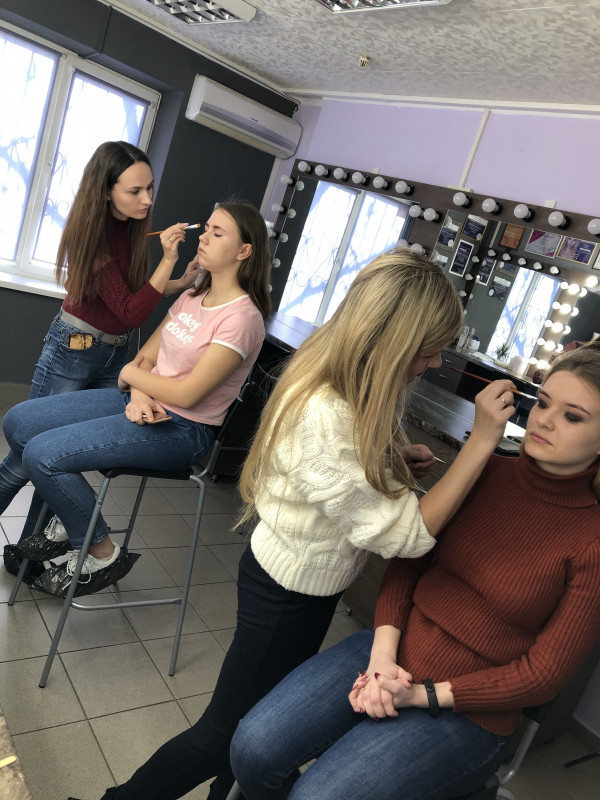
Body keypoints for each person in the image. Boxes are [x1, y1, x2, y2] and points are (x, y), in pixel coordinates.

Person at [72, 249, 517, 800]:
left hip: (303, 582)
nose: (432, 364)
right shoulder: (327, 412)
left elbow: (339, 469)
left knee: (252, 726)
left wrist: (389, 458)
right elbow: (404, 537)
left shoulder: (338, 382)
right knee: (222, 737)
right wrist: (481, 442)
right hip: (286, 593)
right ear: (395, 343)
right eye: (428, 352)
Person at [230, 343, 600, 800]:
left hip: (471, 709)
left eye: (573, 416)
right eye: (543, 404)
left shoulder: (592, 539)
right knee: (252, 749)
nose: (544, 420)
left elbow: (543, 674)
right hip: (392, 649)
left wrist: (422, 695)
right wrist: (383, 658)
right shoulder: (484, 472)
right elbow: (410, 562)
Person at [1, 199, 270, 593]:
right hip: (141, 401)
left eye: (218, 233)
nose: (204, 238)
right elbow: (145, 358)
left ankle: (101, 551)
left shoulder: (242, 319)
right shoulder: (193, 297)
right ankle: (72, 517)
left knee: (42, 454)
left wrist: (130, 376)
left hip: (183, 428)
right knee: (18, 421)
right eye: (206, 228)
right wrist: (139, 390)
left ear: (244, 251)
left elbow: (187, 394)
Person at [1, 140, 200, 581]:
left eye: (150, 188)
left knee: (55, 456)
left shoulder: (129, 226)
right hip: (75, 347)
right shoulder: (95, 238)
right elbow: (130, 311)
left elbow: (131, 297)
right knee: (25, 452)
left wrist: (179, 282)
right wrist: (168, 260)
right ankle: (34, 550)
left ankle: (27, 554)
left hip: (115, 353)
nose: (147, 200)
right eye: (135, 191)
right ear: (106, 191)